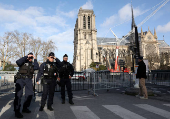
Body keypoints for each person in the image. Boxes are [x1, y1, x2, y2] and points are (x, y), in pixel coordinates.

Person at [14, 52, 39, 118]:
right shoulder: (22, 61)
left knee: (29, 94)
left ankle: (25, 108)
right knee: (18, 95)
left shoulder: (33, 64)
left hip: (28, 80)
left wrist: (35, 59)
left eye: (31, 57)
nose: (30, 58)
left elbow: (37, 67)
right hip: (20, 79)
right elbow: (18, 62)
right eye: (29, 57)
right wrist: (26, 56)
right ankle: (17, 111)